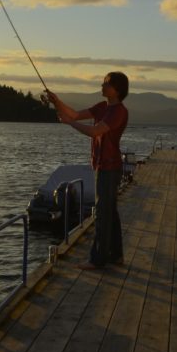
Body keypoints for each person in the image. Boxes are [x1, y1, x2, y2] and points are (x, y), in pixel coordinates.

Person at [46, 72, 129, 270]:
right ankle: (116, 255)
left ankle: (97, 259)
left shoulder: (119, 112)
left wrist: (69, 123)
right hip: (101, 165)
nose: (102, 85)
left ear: (116, 89)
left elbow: (94, 131)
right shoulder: (102, 107)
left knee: (102, 213)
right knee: (110, 212)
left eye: (106, 83)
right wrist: (57, 102)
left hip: (110, 167)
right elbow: (74, 114)